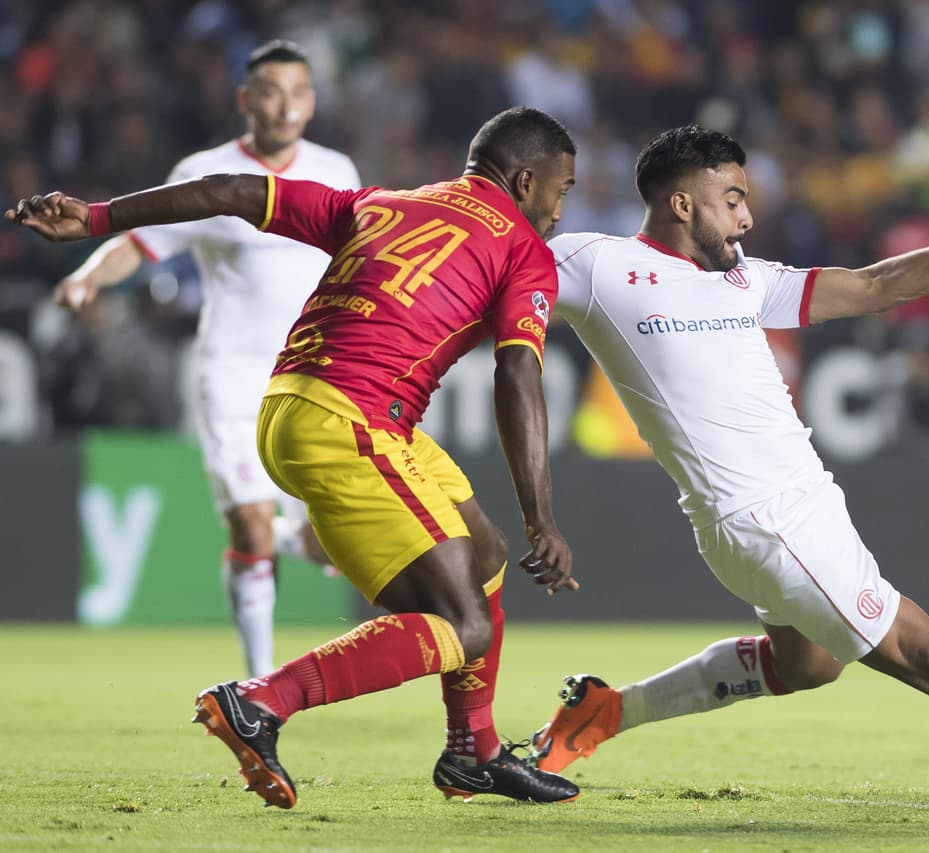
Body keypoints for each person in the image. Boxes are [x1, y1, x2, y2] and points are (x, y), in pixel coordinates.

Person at [524, 125, 929, 800]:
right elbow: (494, 269)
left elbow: (870, 287)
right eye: (733, 197)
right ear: (682, 204)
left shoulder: (744, 279)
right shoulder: (595, 264)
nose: (748, 215)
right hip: (764, 523)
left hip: (801, 507)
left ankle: (607, 709)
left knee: (808, 665)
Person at [9, 106, 582, 808]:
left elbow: (233, 192)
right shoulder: (524, 250)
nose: (561, 207)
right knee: (459, 625)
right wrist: (543, 517)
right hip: (354, 423)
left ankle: (475, 751)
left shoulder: (381, 202)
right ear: (526, 181)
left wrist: (99, 217)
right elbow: (517, 375)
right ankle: (260, 700)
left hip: (293, 405)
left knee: (484, 553)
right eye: (563, 188)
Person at [51, 40, 362, 679]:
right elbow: (142, 241)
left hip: (315, 374)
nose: (285, 106)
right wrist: (88, 275)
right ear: (247, 100)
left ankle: (283, 538)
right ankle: (257, 687)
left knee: (329, 545)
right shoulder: (207, 168)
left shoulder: (337, 170)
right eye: (271, 92)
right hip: (233, 369)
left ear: (311, 102)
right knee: (250, 525)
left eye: (298, 93)